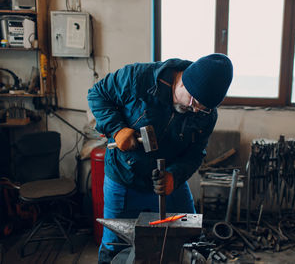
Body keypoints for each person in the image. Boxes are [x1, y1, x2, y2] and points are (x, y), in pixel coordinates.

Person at [87, 53, 233, 264]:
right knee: (113, 245)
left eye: (202, 107)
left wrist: (175, 176)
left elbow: (196, 153)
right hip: (124, 175)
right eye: (193, 102)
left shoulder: (205, 113)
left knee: (193, 238)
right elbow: (97, 94)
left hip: (168, 179)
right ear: (182, 81)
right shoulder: (140, 78)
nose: (194, 109)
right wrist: (117, 129)